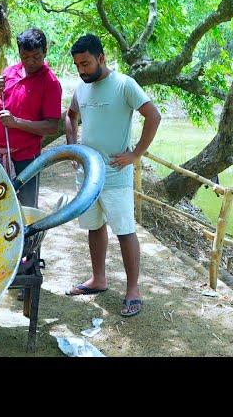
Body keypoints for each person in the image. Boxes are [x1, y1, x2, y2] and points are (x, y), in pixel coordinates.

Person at [64, 34, 161, 317]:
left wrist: (135, 154)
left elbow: (153, 116)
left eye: (86, 63)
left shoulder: (124, 85)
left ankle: (133, 290)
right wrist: (73, 147)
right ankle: (99, 279)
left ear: (101, 58)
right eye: (77, 65)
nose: (81, 70)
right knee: (95, 227)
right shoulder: (81, 90)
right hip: (88, 175)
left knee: (125, 231)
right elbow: (70, 116)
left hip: (117, 172)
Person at [0, 28, 63, 208]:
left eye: (36, 57)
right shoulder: (9, 72)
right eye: (25, 57)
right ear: (19, 53)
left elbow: (51, 127)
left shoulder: (50, 83)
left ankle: (28, 237)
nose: (31, 62)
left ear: (45, 52)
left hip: (26, 157)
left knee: (27, 207)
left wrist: (16, 122)